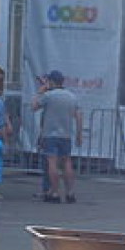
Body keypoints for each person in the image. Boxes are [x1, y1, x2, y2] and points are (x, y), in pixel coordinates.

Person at [33, 69, 81, 203]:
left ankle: (54, 192)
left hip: (50, 134)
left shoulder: (49, 96)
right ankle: (70, 192)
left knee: (52, 163)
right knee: (67, 162)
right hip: (66, 134)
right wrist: (79, 134)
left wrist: (41, 90)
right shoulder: (71, 96)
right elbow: (78, 115)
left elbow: (34, 106)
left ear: (52, 82)